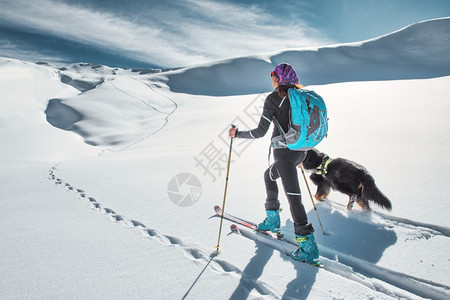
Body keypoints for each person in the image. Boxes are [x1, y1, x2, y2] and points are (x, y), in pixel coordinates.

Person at [228, 63, 319, 264]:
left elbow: (260, 132)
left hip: (284, 154)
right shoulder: (303, 96)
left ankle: (308, 247)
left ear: (278, 79)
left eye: (273, 75)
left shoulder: (273, 98)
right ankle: (273, 220)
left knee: (294, 197)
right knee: (269, 176)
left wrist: (238, 134)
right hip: (301, 152)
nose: (271, 78)